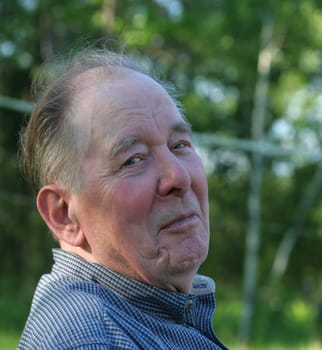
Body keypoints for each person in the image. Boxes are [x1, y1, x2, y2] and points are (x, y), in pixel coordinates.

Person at [17, 47, 227, 349]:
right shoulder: (91, 339)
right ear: (63, 214)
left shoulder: (138, 317)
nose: (179, 177)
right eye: (133, 160)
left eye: (179, 144)